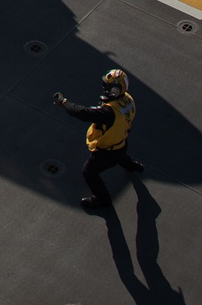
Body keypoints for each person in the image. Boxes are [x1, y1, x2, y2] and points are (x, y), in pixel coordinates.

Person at [54, 68, 144, 211]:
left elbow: (82, 113)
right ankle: (133, 166)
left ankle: (103, 200)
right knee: (121, 155)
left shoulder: (109, 112)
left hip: (108, 152)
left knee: (89, 172)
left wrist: (64, 102)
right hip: (122, 142)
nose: (105, 90)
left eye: (107, 88)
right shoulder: (128, 99)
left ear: (115, 90)